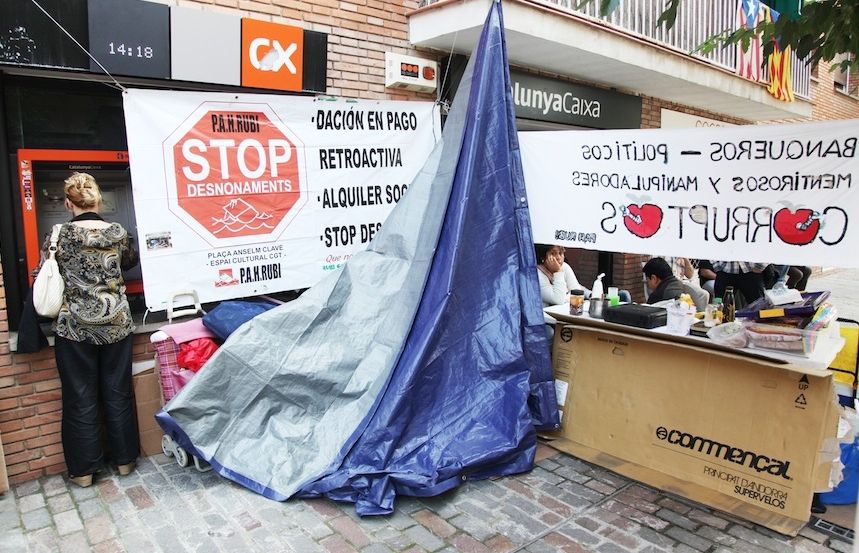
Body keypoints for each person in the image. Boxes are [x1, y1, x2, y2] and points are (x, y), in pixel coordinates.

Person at [43, 172, 140, 488]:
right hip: (116, 324)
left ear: (68, 203)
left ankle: (84, 473)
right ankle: (125, 462)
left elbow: (45, 271)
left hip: (75, 328)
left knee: (79, 397)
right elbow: (129, 263)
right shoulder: (118, 232)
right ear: (98, 200)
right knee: (118, 392)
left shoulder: (59, 235)